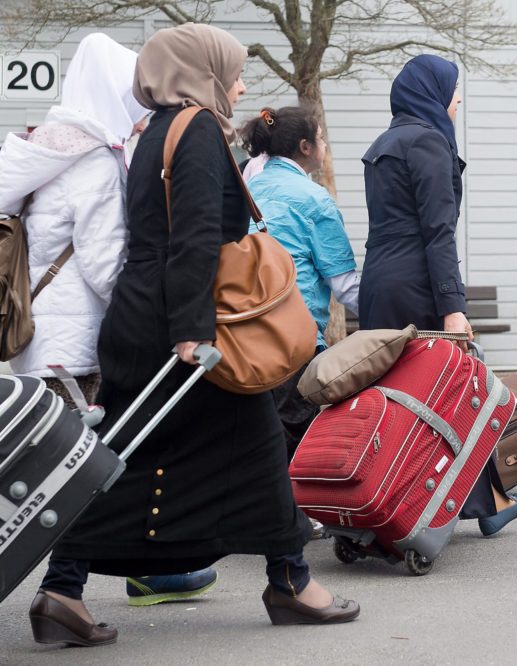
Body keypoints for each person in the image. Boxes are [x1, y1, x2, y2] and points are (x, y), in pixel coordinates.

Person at [25, 24, 359, 649]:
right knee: (254, 442)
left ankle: (61, 591)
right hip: (179, 326)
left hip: (140, 317)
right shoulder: (199, 128)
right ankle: (290, 581)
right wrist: (190, 333)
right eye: (230, 69)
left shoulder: (154, 130)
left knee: (125, 456)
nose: (239, 82)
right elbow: (198, 236)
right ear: (197, 71)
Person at [0, 32, 220, 612]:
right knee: (76, 477)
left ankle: (94, 583)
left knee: (53, 473)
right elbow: (103, 265)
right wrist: (151, 304)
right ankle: (65, 591)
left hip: (34, 334)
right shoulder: (92, 160)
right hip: (76, 344)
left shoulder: (40, 148)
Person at [360, 54, 517, 536]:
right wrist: (453, 307)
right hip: (418, 281)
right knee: (459, 393)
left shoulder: (383, 143)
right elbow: (438, 233)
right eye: (454, 91)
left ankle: (382, 503)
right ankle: (488, 503)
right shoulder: (429, 142)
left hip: (380, 281)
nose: (457, 101)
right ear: (433, 92)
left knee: (393, 398)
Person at [240, 106, 360, 459]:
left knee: (256, 440)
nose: (325, 146)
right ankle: (296, 514)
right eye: (322, 138)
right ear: (306, 147)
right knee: (293, 441)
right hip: (293, 336)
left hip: (242, 333)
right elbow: (345, 286)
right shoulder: (315, 200)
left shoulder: (246, 187)